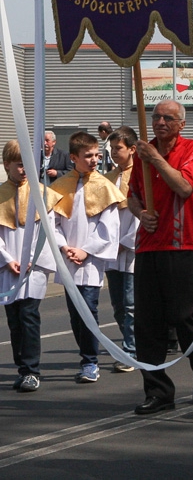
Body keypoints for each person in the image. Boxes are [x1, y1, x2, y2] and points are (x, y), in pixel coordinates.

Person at [129, 99, 193, 415]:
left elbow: (184, 187)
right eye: (156, 117)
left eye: (168, 118)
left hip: (180, 245)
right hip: (148, 245)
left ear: (181, 124)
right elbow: (132, 195)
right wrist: (141, 214)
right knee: (147, 323)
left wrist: (155, 159)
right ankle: (158, 391)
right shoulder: (143, 153)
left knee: (186, 318)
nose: (160, 122)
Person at [51, 132, 125, 384]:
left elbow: (109, 227)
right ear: (73, 158)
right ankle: (86, 357)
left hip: (90, 259)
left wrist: (86, 249)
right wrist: (64, 247)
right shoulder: (60, 186)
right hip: (68, 258)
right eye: (88, 156)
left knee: (89, 309)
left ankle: (90, 361)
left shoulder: (104, 186)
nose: (94, 160)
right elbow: (53, 223)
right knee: (75, 313)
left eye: (96, 155)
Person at [1, 140, 60, 392]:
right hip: (8, 267)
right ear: (6, 165)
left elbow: (48, 231)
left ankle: (31, 370)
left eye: (28, 164)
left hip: (32, 268)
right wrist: (7, 259)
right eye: (19, 164)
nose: (24, 169)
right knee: (14, 320)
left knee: (29, 316)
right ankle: (22, 368)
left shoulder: (42, 194)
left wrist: (31, 259)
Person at [105, 126, 140, 372]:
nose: (114, 152)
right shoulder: (108, 178)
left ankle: (131, 351)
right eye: (112, 148)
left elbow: (141, 216)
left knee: (130, 304)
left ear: (132, 149)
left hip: (130, 249)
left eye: (118, 148)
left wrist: (125, 242)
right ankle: (130, 345)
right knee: (118, 305)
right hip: (111, 249)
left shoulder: (141, 176)